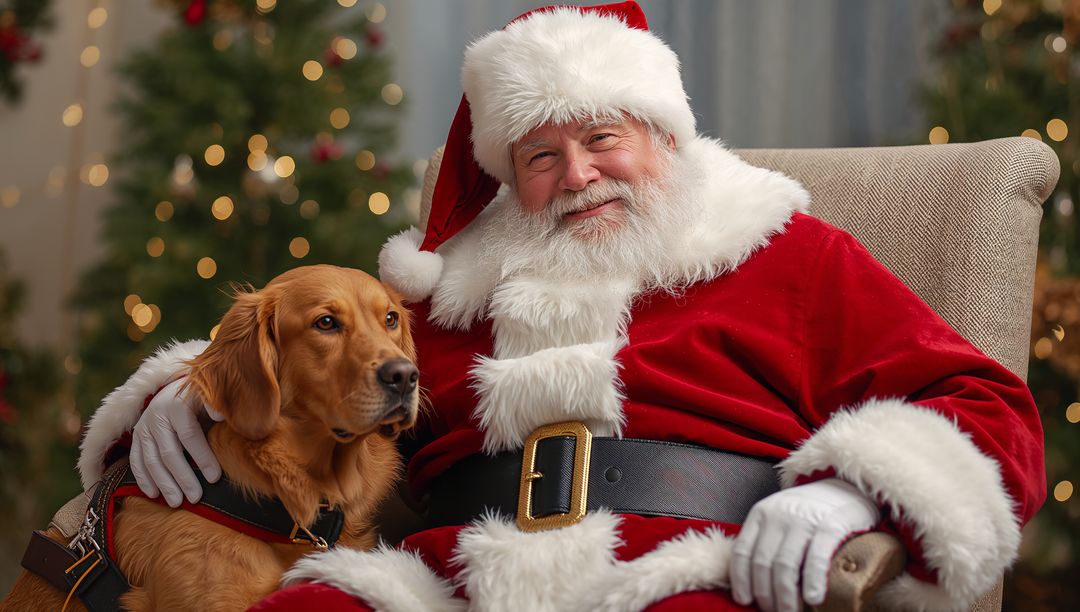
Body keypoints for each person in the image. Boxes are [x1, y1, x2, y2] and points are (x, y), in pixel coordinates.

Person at [78, 3, 1045, 611]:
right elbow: (329, 381)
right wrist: (186, 395)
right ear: (512, 178)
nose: (577, 176)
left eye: (602, 138)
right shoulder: (453, 295)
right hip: (447, 581)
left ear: (663, 134)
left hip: (681, 569)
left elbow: (989, 406)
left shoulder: (787, 254)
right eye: (541, 156)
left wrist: (849, 492)